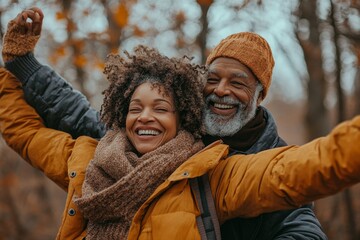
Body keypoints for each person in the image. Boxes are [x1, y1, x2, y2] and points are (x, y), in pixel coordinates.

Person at [1, 8, 327, 239]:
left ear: (259, 96)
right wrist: (24, 65)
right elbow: (82, 119)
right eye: (213, 79)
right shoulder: (170, 136)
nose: (222, 90)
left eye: (238, 83)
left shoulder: (272, 157)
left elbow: (299, 223)